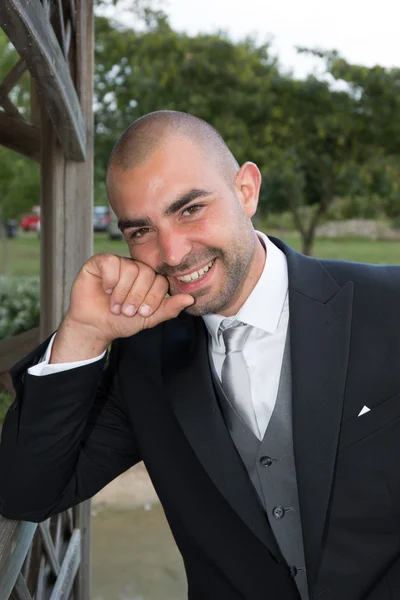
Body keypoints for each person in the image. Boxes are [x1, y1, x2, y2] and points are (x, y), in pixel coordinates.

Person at [1, 111, 400, 600]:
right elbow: (27, 492)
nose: (172, 252)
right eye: (140, 231)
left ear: (247, 190)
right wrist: (82, 333)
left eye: (189, 209)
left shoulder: (390, 306)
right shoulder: (143, 363)